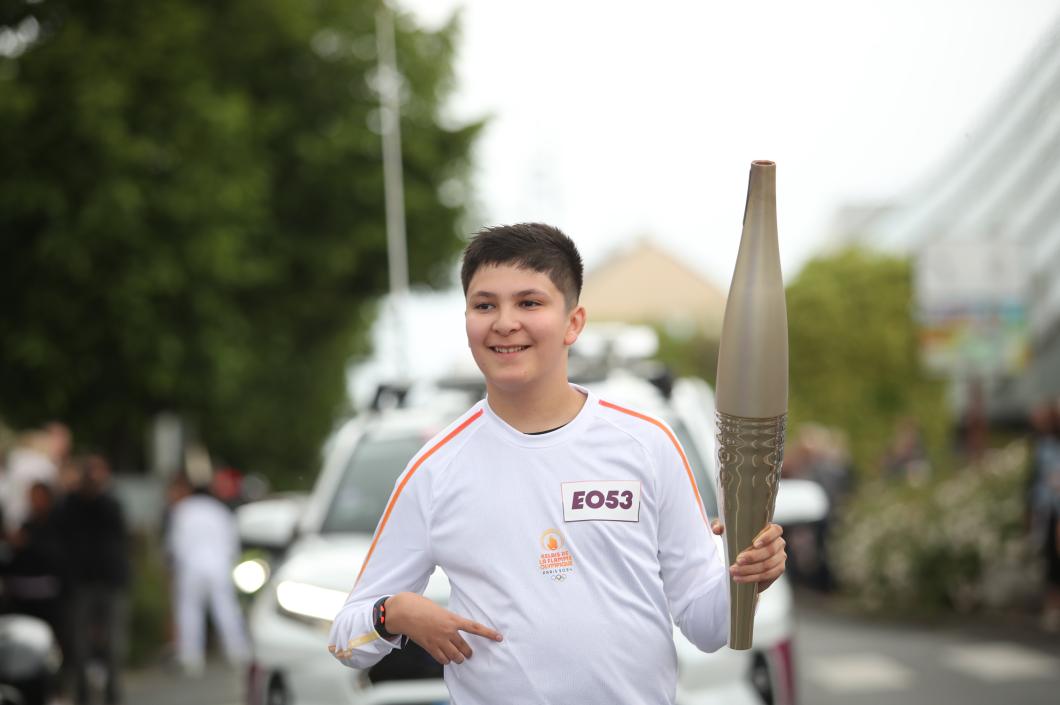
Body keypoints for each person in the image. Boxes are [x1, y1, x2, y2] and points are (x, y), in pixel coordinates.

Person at [328, 224, 787, 704]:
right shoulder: (434, 469)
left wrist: (747, 580)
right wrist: (393, 613)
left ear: (573, 322)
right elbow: (345, 638)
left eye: (529, 303)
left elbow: (707, 624)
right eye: (485, 305)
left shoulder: (646, 445)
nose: (504, 323)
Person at [56, 455, 129, 705]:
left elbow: (118, 535)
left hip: (109, 580)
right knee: (79, 645)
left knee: (113, 645)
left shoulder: (109, 503)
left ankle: (113, 696)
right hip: (81, 581)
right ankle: (83, 696)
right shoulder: (70, 505)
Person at [166, 468, 250, 675]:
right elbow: (232, 543)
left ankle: (191, 657)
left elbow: (176, 544)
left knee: (189, 611)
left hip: (191, 568)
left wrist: (177, 565)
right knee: (226, 608)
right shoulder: (219, 510)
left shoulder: (183, 510)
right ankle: (238, 652)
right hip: (219, 566)